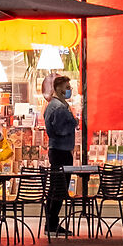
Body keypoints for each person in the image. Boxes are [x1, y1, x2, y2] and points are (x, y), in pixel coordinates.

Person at [42, 75, 78, 236]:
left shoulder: (54, 105)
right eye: (67, 87)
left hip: (57, 150)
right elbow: (61, 130)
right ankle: (52, 222)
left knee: (55, 187)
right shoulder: (59, 107)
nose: (69, 90)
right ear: (58, 88)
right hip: (61, 151)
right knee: (59, 188)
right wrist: (74, 122)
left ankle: (51, 222)